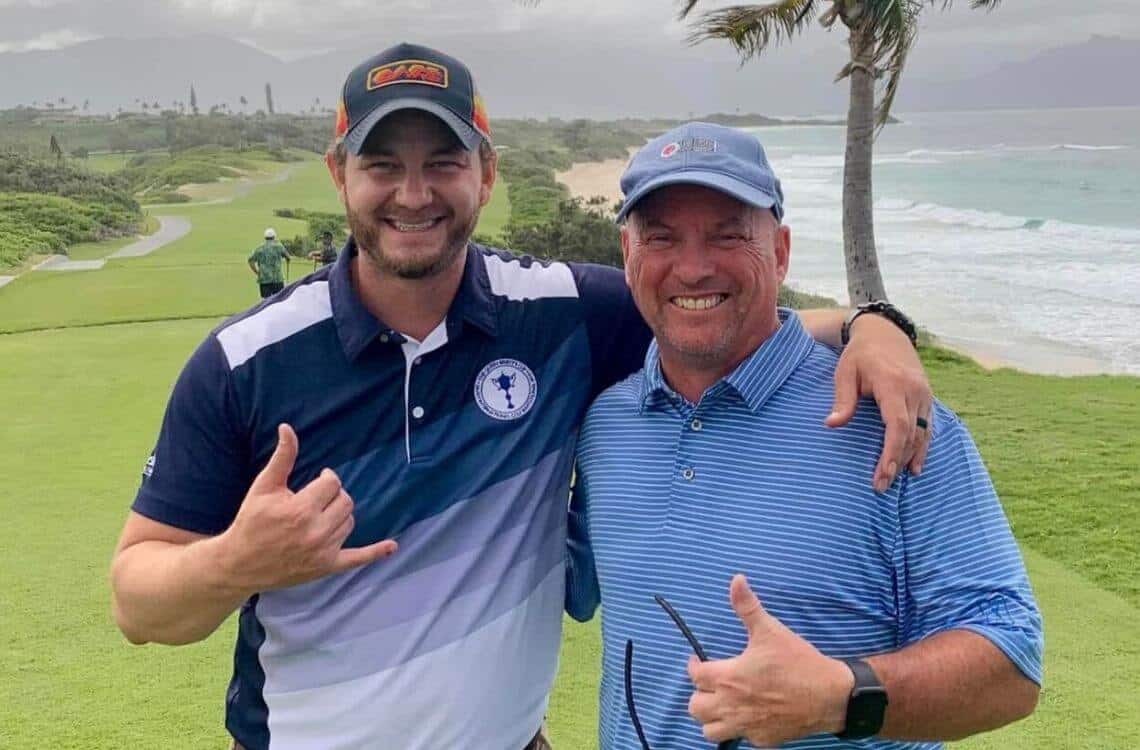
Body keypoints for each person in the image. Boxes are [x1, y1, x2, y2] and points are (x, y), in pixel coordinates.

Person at [110, 44, 934, 750]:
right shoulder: (244, 361)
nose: (413, 193)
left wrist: (874, 326)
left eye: (443, 162)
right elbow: (137, 602)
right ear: (339, 175)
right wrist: (235, 564)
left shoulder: (562, 313)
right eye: (382, 165)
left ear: (486, 171)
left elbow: (725, 315)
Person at [565, 123, 1043, 750]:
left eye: (729, 234)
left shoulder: (892, 420)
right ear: (628, 257)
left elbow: (1013, 664)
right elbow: (563, 583)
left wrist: (840, 696)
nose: (693, 266)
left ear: (782, 251)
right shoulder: (607, 426)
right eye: (661, 237)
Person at [248, 227, 291, 298]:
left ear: (265, 237)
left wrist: (257, 272)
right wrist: (287, 260)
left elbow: (250, 260)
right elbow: (288, 257)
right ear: (274, 236)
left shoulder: (260, 248)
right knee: (278, 300)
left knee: (266, 302)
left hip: (264, 280)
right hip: (277, 279)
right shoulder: (279, 246)